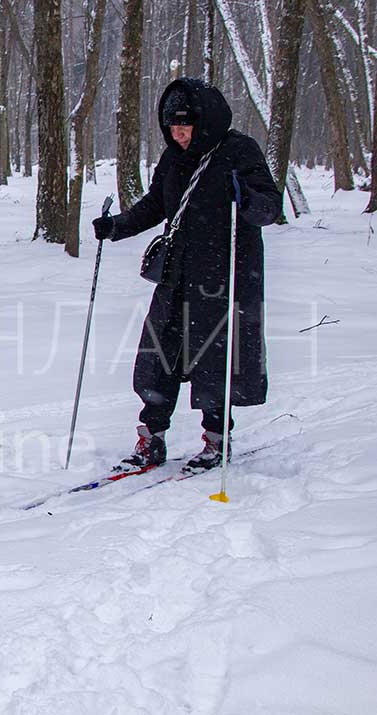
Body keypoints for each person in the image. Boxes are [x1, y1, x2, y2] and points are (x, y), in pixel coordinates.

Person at [92, 78, 281, 474]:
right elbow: (156, 205)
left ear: (205, 122)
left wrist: (245, 197)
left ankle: (216, 439)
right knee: (158, 355)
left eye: (185, 126)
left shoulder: (238, 151)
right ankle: (152, 436)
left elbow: (269, 207)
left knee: (214, 358)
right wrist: (117, 226)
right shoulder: (172, 158)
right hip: (177, 274)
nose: (178, 134)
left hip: (222, 275)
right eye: (171, 127)